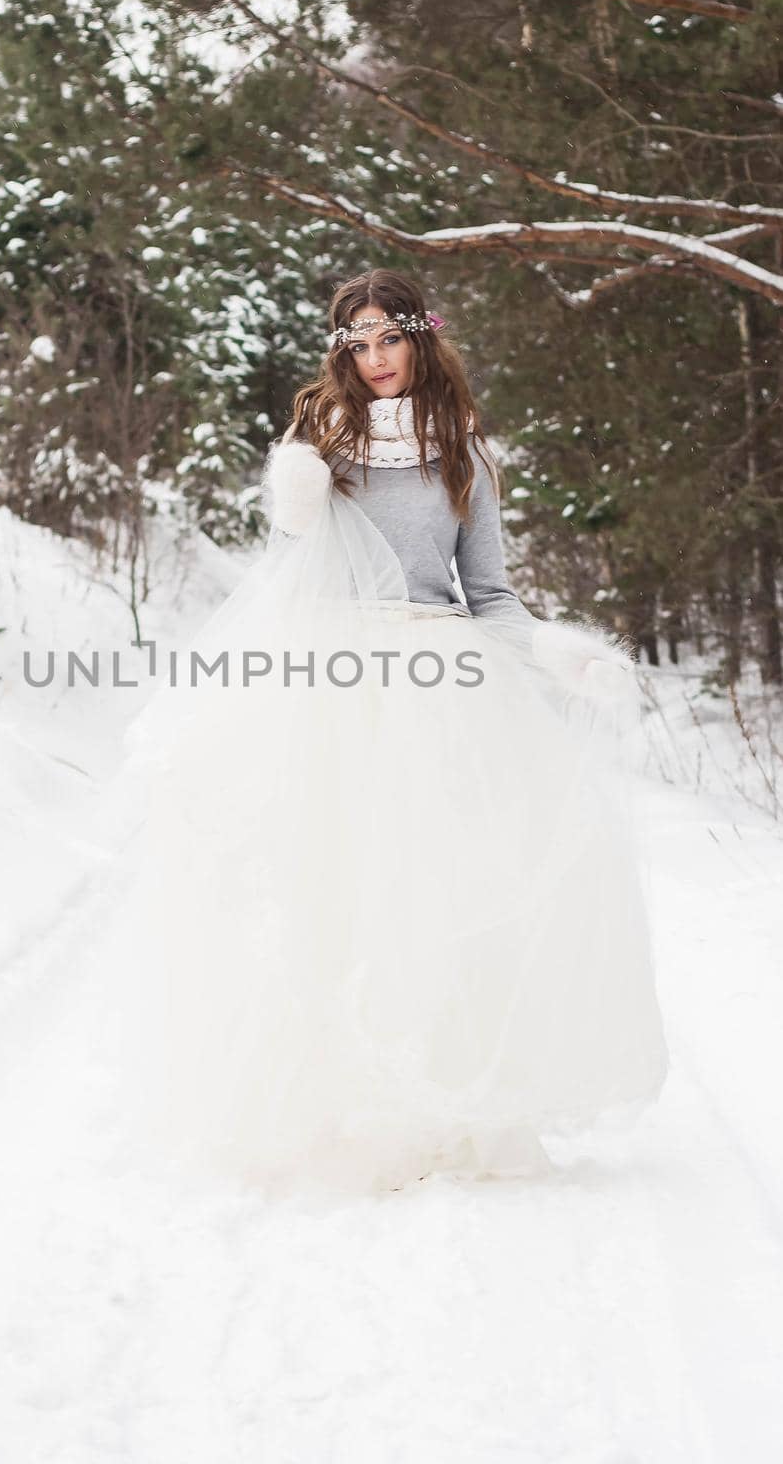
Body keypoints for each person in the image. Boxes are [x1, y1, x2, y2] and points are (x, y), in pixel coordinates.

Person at [89, 268, 669, 1199]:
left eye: (386, 338)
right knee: (325, 892)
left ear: (420, 338)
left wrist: (563, 656)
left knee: (436, 897)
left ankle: (441, 1107)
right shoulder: (320, 441)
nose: (372, 359)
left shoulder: (466, 456)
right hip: (334, 686)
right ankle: (321, 1115)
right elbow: (291, 573)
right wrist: (294, 497)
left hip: (444, 688)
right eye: (354, 343)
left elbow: (489, 595)